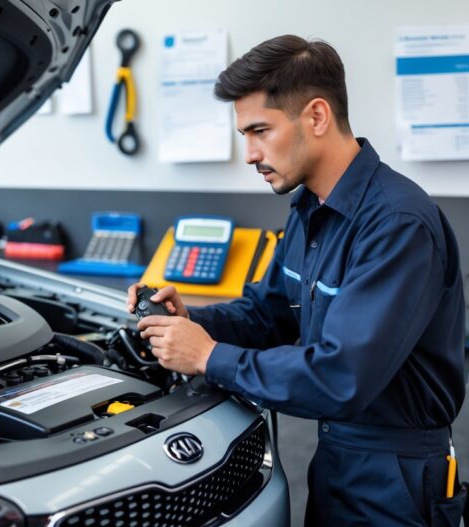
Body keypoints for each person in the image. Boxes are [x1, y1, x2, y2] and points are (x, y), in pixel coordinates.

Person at [127, 35, 467, 526]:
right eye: (245, 134)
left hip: (397, 475)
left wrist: (207, 356)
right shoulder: (309, 210)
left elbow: (340, 376)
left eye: (260, 131)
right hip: (336, 457)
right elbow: (268, 316)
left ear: (316, 116)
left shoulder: (397, 224)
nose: (249, 154)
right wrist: (189, 321)